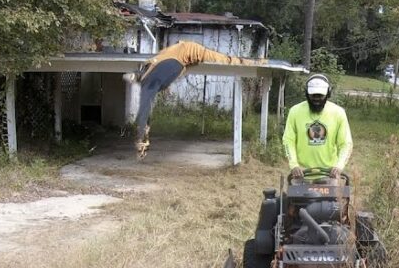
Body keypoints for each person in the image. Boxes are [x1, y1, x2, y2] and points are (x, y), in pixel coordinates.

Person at [127, 41, 264, 158]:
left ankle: (142, 136)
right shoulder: (178, 52)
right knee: (149, 94)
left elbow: (223, 58)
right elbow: (223, 58)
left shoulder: (178, 52)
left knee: (148, 95)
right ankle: (142, 136)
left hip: (163, 66)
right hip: (167, 66)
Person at [282, 74, 353, 181]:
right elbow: (288, 140)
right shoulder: (295, 112)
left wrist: (339, 166)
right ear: (306, 93)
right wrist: (294, 165)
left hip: (329, 175)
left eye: (320, 95)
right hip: (301, 174)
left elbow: (346, 144)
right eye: (313, 95)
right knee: (295, 198)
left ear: (328, 93)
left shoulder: (338, 113)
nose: (316, 99)